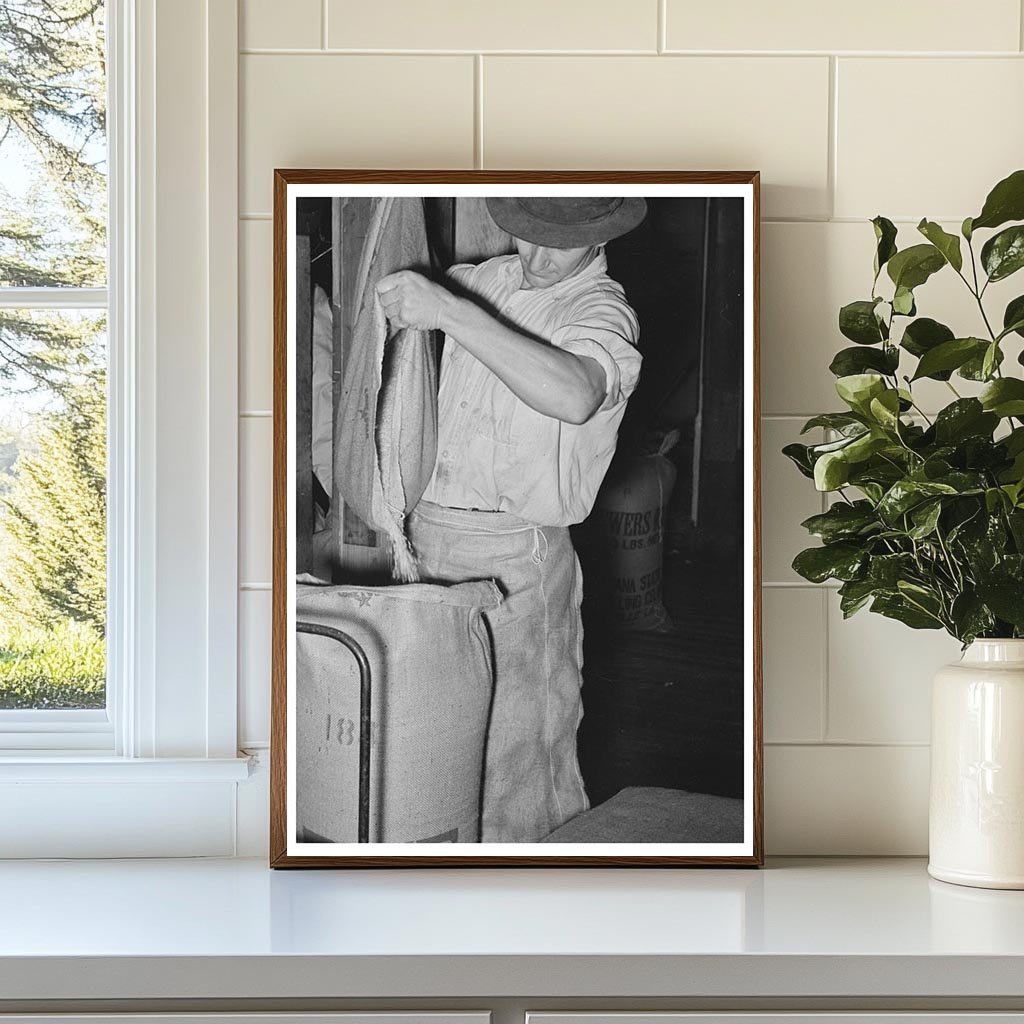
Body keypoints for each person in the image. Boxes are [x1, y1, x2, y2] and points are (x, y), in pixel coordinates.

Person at [375, 196, 646, 843]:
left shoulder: (601, 310)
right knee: (441, 748)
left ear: (602, 234)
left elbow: (576, 394)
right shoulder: (482, 282)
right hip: (428, 547)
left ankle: (539, 891)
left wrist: (448, 312)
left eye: (560, 242)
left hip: (515, 560)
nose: (540, 257)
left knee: (519, 760)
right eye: (528, 236)